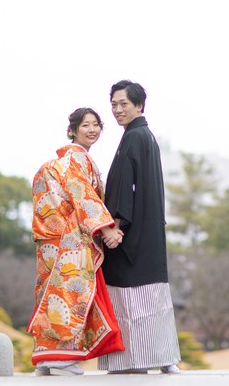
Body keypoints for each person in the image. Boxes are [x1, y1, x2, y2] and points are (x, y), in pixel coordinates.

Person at [27, 107, 125, 376]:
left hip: (51, 238)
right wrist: (106, 230)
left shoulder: (64, 161)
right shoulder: (75, 159)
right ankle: (60, 358)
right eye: (85, 126)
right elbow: (83, 196)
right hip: (69, 238)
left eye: (96, 125)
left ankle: (45, 356)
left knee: (51, 294)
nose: (92, 130)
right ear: (72, 130)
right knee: (70, 294)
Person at [98, 80, 181, 374]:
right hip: (151, 232)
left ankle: (133, 359)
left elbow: (122, 189)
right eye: (114, 105)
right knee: (154, 296)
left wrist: (113, 227)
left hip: (130, 236)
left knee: (128, 296)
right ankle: (165, 357)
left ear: (139, 106)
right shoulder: (147, 136)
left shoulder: (134, 138)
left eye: (124, 104)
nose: (118, 110)